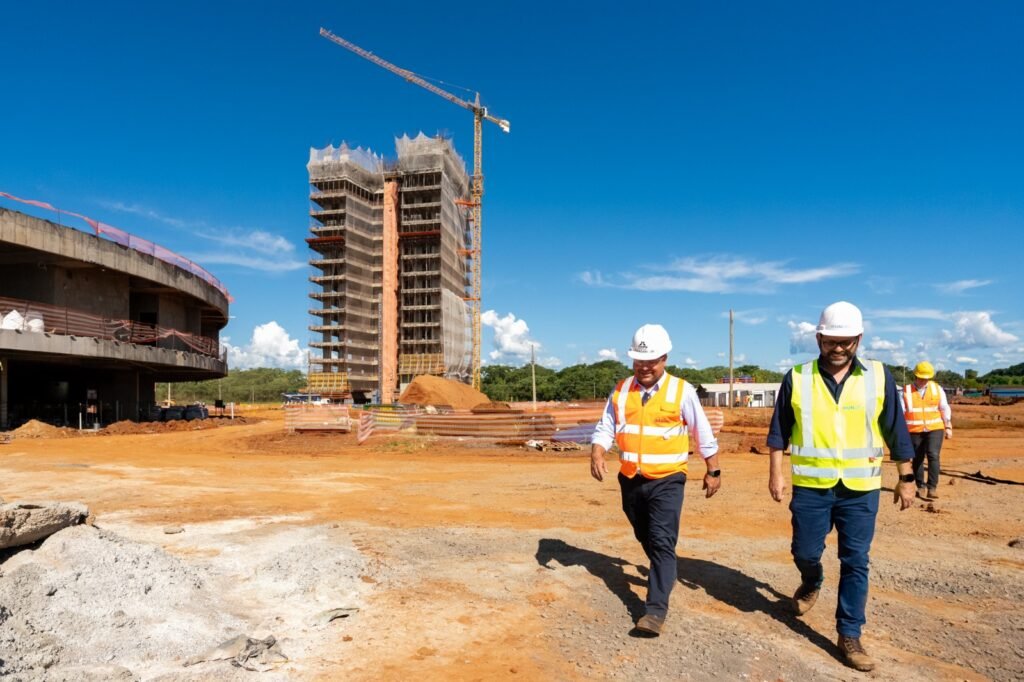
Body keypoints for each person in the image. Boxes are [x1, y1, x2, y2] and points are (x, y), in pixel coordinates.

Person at [767, 301, 915, 672]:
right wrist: (776, 472)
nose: (838, 348)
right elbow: (779, 431)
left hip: (860, 488)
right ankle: (811, 578)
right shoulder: (797, 377)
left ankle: (849, 634)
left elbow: (896, 430)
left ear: (859, 339)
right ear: (818, 338)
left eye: (846, 341)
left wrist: (906, 477)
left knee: (855, 561)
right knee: (804, 550)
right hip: (812, 487)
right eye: (831, 340)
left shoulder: (879, 377)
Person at [590, 323, 721, 636]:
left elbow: (701, 432)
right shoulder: (621, 390)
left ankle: (655, 610)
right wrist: (597, 452)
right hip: (631, 479)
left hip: (668, 479)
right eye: (639, 360)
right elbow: (606, 425)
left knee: (662, 541)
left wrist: (713, 469)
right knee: (644, 534)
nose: (645, 367)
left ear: (664, 358)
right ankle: (666, 568)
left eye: (651, 361)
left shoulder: (682, 391)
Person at [901, 361, 952, 500]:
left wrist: (948, 425)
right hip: (914, 430)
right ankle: (921, 486)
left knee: (933, 455)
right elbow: (901, 412)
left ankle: (932, 487)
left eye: (926, 378)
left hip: (935, 428)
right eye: (921, 377)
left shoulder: (937, 389)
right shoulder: (905, 391)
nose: (924, 380)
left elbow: (944, 407)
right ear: (915, 376)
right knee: (917, 458)